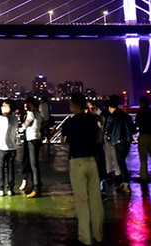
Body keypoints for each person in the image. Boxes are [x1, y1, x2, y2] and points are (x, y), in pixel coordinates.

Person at [61, 92, 104, 246]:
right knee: (95, 200)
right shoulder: (92, 120)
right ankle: (99, 235)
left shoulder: (71, 122)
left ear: (73, 105)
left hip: (77, 161)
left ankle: (85, 238)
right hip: (92, 161)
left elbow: (63, 140)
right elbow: (97, 136)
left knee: (82, 202)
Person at [104, 95, 134, 193]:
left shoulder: (111, 117)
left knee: (121, 163)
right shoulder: (126, 116)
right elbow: (134, 129)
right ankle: (124, 183)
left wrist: (108, 136)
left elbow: (107, 130)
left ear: (110, 107)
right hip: (128, 141)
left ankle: (125, 184)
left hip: (117, 142)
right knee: (122, 163)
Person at [0, 99, 18, 196]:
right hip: (12, 147)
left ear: (8, 107)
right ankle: (11, 189)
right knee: (11, 168)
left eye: (4, 106)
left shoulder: (1, 118)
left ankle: (0, 189)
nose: (1, 107)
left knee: (1, 168)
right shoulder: (14, 118)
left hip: (2, 146)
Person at [19, 97, 43, 197]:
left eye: (28, 104)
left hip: (32, 140)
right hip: (36, 139)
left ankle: (36, 188)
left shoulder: (31, 113)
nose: (26, 106)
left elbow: (26, 124)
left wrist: (20, 129)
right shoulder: (38, 113)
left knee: (33, 164)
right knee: (34, 164)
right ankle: (36, 185)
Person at [134, 96, 151, 182]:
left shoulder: (140, 112)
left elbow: (136, 125)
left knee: (143, 158)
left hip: (143, 136)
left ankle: (144, 176)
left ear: (141, 103)